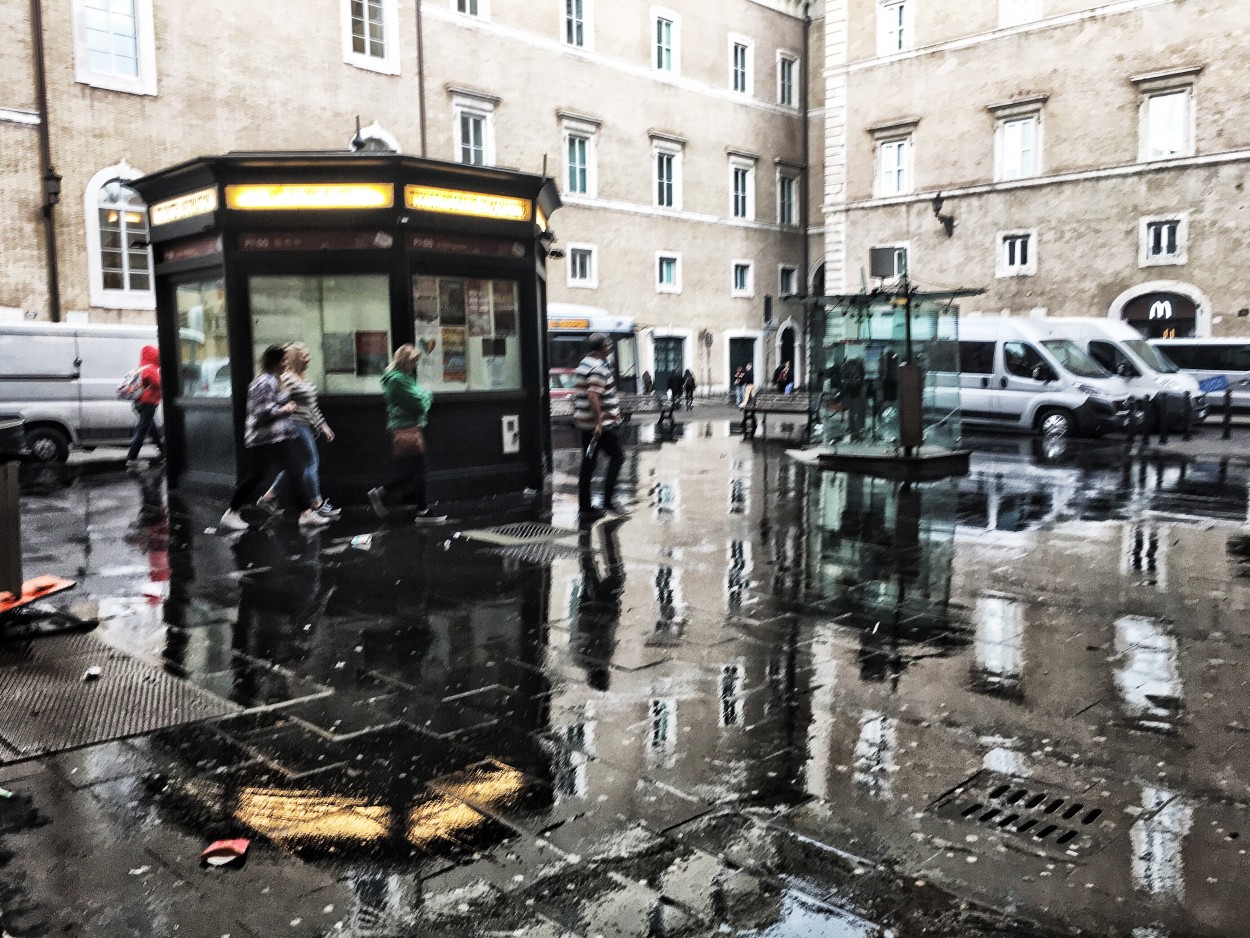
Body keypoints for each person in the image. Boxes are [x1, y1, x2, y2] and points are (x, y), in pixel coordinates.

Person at [220, 345, 328, 531]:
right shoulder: (265, 382)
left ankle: (306, 513)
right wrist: (285, 409)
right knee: (259, 475)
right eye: (284, 361)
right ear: (276, 362)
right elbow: (261, 412)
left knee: (294, 470)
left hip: (276, 437)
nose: (286, 364)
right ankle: (231, 512)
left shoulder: (273, 380)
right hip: (266, 438)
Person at [260, 343, 339, 519]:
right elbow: (277, 400)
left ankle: (268, 497)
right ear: (296, 357)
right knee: (311, 462)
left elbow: (312, 407)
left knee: (297, 466)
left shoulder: (303, 378)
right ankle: (317, 503)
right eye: (305, 355)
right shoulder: (288, 378)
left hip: (305, 425)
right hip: (295, 425)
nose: (308, 358)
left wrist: (323, 425)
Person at [368, 344, 445, 521]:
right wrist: (427, 396)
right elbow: (419, 402)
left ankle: (383, 493)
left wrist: (423, 396)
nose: (416, 364)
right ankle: (421, 510)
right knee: (419, 468)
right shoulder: (397, 380)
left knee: (414, 469)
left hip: (410, 426)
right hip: (406, 427)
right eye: (414, 361)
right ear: (405, 361)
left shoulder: (404, 378)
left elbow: (418, 397)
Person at [575, 332, 627, 521]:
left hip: (586, 423)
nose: (609, 347)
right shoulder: (597, 367)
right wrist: (598, 423)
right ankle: (607, 501)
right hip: (601, 425)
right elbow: (593, 396)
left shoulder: (584, 364)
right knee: (618, 457)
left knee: (588, 464)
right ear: (601, 348)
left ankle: (585, 507)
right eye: (607, 344)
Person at [125, 345, 165, 469]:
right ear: (154, 356)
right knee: (141, 432)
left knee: (153, 431)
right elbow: (159, 384)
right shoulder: (150, 370)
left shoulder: (141, 368)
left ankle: (164, 453)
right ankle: (131, 458)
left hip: (139, 403)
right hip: (148, 405)